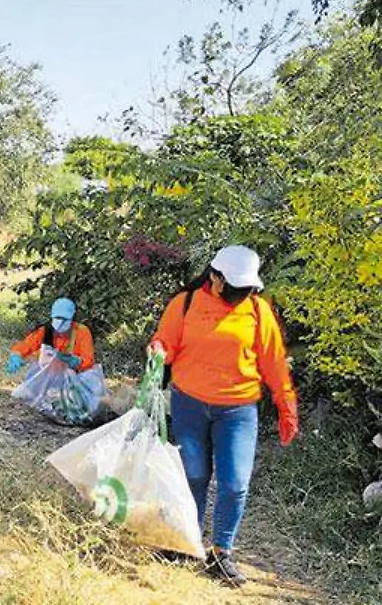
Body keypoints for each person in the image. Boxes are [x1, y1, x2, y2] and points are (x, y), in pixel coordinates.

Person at [148, 245, 298, 587]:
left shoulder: (257, 311)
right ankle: (185, 542)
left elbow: (273, 361)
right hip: (189, 404)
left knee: (234, 484)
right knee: (194, 475)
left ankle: (221, 553)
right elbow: (166, 341)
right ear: (215, 278)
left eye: (248, 289)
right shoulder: (185, 303)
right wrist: (158, 349)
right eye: (237, 288)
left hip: (238, 410)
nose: (242, 294)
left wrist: (286, 403)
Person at [6, 298, 95, 375]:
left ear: (72, 318)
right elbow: (26, 345)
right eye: (57, 318)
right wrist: (16, 355)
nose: (60, 322)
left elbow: (88, 360)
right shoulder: (45, 331)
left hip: (75, 376)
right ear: (52, 316)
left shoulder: (81, 332)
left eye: (64, 319)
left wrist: (75, 362)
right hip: (47, 375)